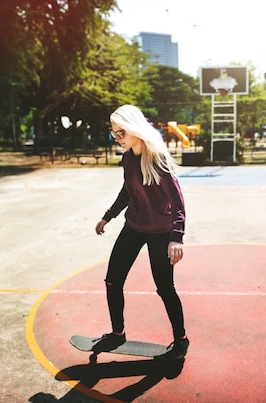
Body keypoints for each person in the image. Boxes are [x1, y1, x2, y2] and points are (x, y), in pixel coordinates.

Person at [93, 104, 189, 360]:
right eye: (114, 133)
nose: (117, 138)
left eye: (121, 132)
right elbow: (127, 191)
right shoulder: (127, 158)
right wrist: (108, 215)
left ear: (135, 129)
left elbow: (178, 201)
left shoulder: (157, 159)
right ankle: (117, 334)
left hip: (160, 231)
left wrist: (176, 238)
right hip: (133, 227)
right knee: (113, 280)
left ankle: (181, 339)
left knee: (164, 289)